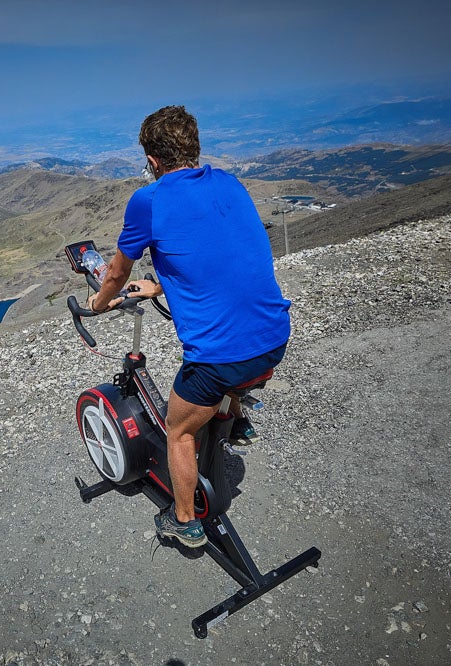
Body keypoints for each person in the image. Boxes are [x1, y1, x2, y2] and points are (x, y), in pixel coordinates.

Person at [85, 105, 291, 548]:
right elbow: (221, 256)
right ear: (194, 148)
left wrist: (100, 303)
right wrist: (162, 286)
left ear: (153, 160)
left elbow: (116, 274)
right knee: (231, 363)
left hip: (221, 360)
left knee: (179, 429)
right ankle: (237, 424)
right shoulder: (231, 185)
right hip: (274, 337)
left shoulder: (150, 200)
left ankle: (184, 521)